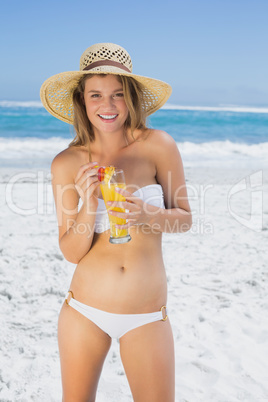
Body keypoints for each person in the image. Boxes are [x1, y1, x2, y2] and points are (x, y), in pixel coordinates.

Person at [40, 42, 192, 402]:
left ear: (132, 97)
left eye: (118, 94)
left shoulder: (159, 146)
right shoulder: (66, 163)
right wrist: (88, 203)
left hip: (147, 315)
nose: (107, 106)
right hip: (84, 310)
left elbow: (185, 219)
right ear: (82, 100)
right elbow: (72, 251)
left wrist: (147, 215)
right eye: (96, 95)